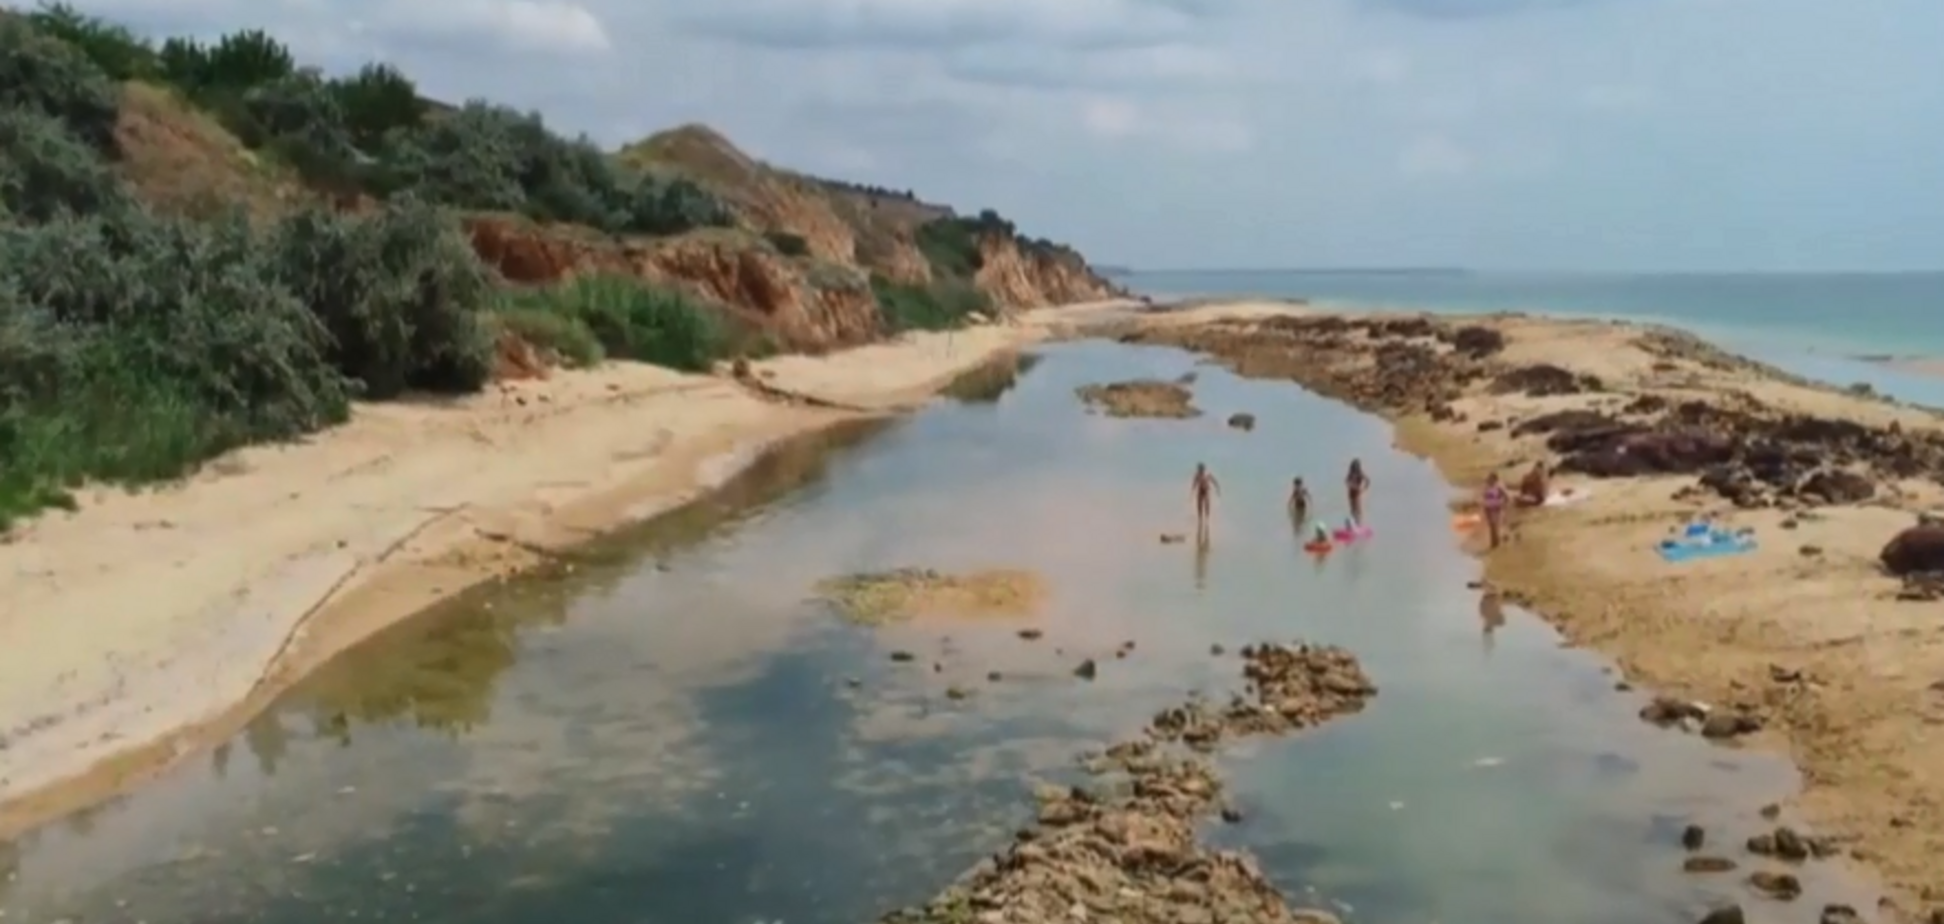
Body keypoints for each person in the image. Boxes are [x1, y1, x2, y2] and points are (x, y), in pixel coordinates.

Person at [1191, 462, 1221, 535]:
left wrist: (1217, 488)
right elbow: (1194, 483)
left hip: (1206, 491)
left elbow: (1214, 481)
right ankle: (1200, 519)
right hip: (1200, 491)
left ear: (1203, 469)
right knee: (1199, 505)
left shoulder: (1207, 474)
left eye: (1201, 469)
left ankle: (1207, 519)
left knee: (1207, 505)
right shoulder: (1197, 475)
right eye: (1199, 469)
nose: (1200, 470)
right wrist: (1192, 491)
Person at [1481, 471, 1509, 549]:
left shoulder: (1499, 487)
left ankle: (1497, 544)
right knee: (1492, 527)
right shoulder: (1487, 486)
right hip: (1489, 509)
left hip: (1497, 509)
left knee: (1495, 527)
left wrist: (1502, 505)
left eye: (1490, 479)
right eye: (1488, 479)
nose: (1488, 480)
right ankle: (1493, 544)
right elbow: (1484, 497)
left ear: (1494, 479)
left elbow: (1507, 497)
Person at [1345, 459, 1371, 524]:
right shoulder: (1351, 473)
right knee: (1352, 509)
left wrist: (1363, 489)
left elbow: (1368, 480)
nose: (1354, 470)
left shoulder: (1360, 473)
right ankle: (1354, 522)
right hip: (1351, 492)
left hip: (1357, 493)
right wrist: (1350, 485)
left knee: (1358, 508)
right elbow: (1346, 481)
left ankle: (1359, 523)